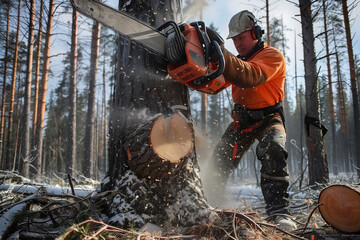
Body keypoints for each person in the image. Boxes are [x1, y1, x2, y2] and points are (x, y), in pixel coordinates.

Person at [208, 10, 296, 230]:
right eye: (235, 40)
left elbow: (250, 75)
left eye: (241, 38)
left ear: (255, 34)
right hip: (243, 121)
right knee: (219, 160)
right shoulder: (236, 63)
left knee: (273, 149)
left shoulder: (272, 56)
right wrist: (201, 62)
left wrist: (221, 55)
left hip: (269, 119)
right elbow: (213, 83)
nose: (238, 43)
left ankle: (279, 213)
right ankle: (209, 204)